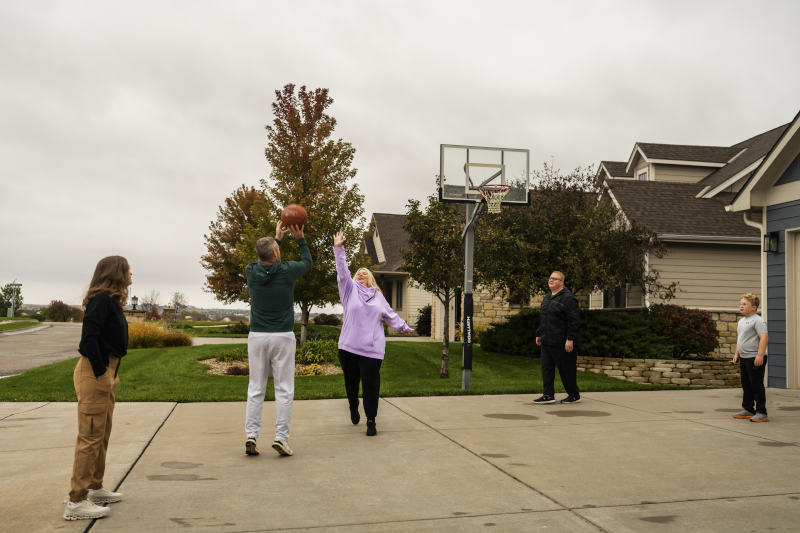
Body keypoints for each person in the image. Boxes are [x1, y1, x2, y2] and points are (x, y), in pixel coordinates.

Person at [65, 256, 131, 521]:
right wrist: (102, 372)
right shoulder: (102, 300)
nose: (131, 275)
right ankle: (76, 502)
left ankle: (94, 487)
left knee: (101, 434)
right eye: (128, 270)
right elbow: (89, 339)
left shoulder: (109, 301)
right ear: (116, 273)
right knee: (90, 437)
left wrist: (110, 374)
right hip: (96, 373)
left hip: (107, 372)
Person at [334, 231, 412, 436]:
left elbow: (389, 315)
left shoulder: (378, 297)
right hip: (349, 347)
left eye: (364, 272)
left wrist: (403, 326)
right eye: (358, 272)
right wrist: (338, 249)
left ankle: (371, 421)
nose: (360, 273)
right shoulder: (348, 291)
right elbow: (342, 272)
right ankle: (353, 407)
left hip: (371, 350)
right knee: (351, 385)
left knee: (370, 387)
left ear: (371, 278)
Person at [245, 221, 311, 457]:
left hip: (257, 336)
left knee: (256, 387)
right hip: (282, 336)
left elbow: (263, 261)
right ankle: (281, 438)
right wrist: (300, 237)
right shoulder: (288, 270)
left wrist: (276, 239)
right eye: (277, 249)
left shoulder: (250, 271)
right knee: (283, 389)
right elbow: (307, 262)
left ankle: (251, 436)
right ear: (275, 254)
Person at [534, 271, 581, 405]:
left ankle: (574, 395)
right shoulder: (548, 296)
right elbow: (544, 318)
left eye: (555, 279)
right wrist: (539, 333)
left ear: (562, 282)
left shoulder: (568, 298)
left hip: (563, 342)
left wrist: (570, 338)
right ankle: (548, 395)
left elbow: (574, 321)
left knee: (566, 369)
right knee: (546, 369)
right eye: (550, 278)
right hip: (547, 340)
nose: (551, 280)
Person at [733, 294, 769, 422]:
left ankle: (761, 412)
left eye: (744, 304)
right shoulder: (741, 321)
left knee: (756, 385)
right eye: (740, 304)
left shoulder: (757, 320)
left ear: (754, 307)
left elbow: (764, 337)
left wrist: (760, 355)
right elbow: (741, 339)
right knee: (746, 384)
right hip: (744, 357)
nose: (741, 306)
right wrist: (737, 353)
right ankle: (748, 409)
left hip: (755, 358)